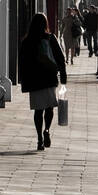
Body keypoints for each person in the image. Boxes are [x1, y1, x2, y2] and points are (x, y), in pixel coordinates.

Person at [18, 12, 67, 151]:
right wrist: (63, 77)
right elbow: (60, 59)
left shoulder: (27, 41)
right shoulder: (51, 38)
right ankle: (47, 130)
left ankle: (39, 137)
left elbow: (22, 62)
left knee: (38, 111)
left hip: (34, 80)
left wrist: (23, 80)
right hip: (49, 77)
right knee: (49, 107)